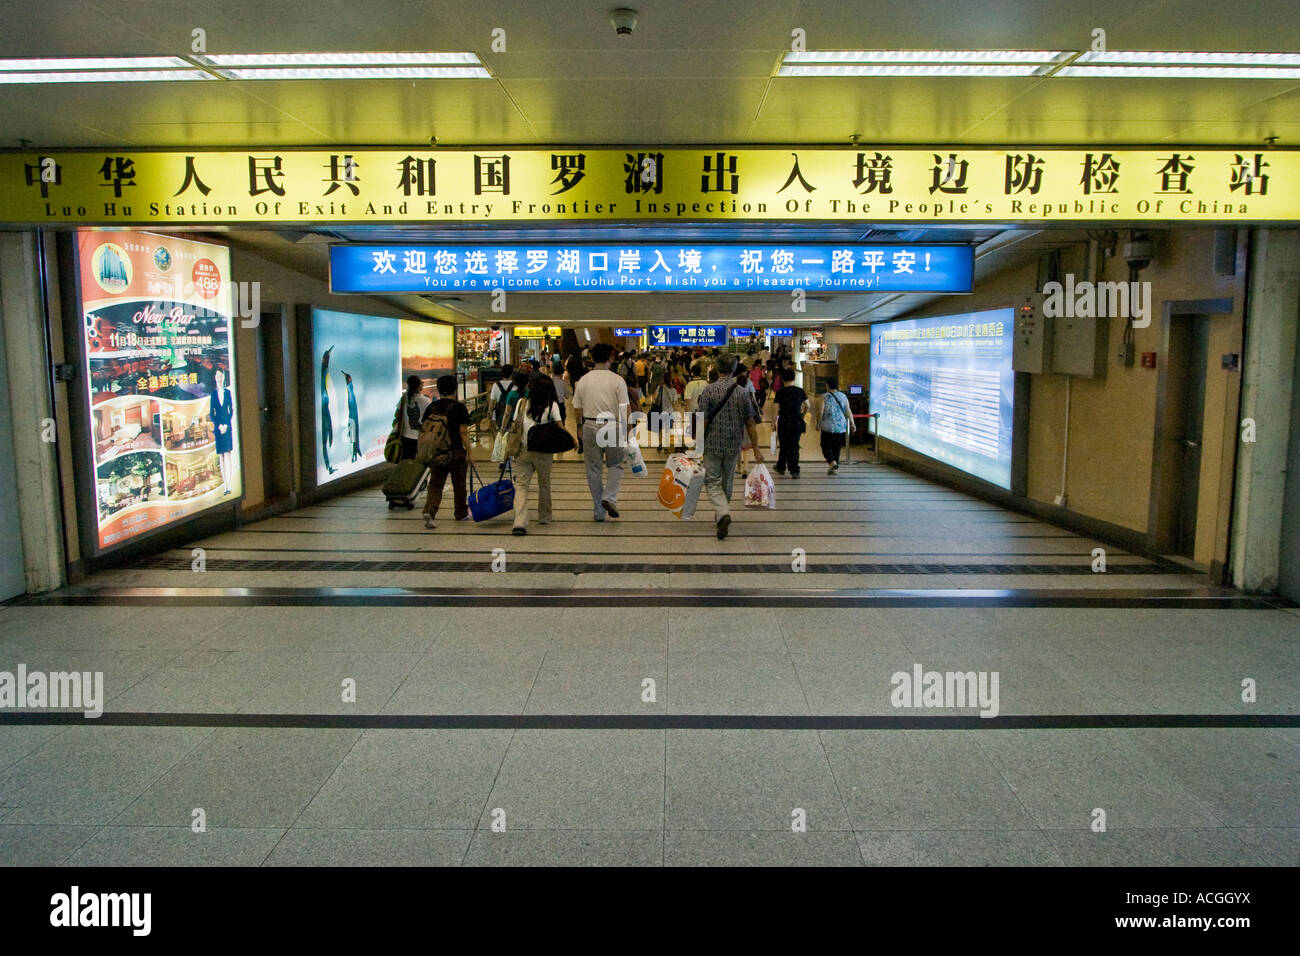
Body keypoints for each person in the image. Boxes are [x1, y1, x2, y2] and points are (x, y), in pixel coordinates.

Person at [695, 353, 764, 540]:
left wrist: (698, 443)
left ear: (716, 369)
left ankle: (723, 512)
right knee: (727, 481)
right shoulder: (742, 392)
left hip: (712, 444)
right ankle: (721, 512)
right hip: (734, 444)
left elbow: (703, 420)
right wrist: (756, 449)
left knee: (712, 481)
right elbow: (750, 422)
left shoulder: (709, 390)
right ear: (734, 369)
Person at [571, 342, 630, 522]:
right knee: (615, 464)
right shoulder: (617, 380)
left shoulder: (583, 380)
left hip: (589, 425)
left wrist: (579, 428)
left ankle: (598, 511)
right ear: (611, 358)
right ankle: (609, 497)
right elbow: (625, 408)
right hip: (612, 425)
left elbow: (577, 408)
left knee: (593, 469)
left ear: (591, 358)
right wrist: (626, 431)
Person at [510, 375, 563, 535]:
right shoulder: (552, 405)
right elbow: (560, 427)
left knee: (521, 486)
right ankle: (545, 517)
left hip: (523, 451)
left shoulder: (521, 403)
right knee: (544, 484)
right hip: (543, 452)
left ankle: (519, 522)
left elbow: (515, 426)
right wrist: (573, 440)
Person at [420, 374, 472, 529]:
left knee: (435, 483)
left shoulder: (432, 406)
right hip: (456, 451)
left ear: (439, 389)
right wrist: (470, 451)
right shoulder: (459, 407)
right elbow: (463, 432)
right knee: (459, 483)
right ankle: (460, 513)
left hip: (437, 452)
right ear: (454, 389)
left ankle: (430, 510)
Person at [772, 367, 808, 479]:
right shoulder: (800, 391)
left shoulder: (780, 392)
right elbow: (808, 405)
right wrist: (803, 414)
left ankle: (781, 467)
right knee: (794, 446)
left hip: (784, 422)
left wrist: (773, 423)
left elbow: (776, 410)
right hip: (797, 422)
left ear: (783, 379)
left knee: (784, 445)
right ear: (794, 378)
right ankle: (794, 470)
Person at [817, 377, 854, 474]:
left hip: (828, 426)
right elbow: (848, 411)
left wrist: (818, 423)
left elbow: (820, 412)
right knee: (836, 448)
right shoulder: (843, 396)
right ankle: (835, 469)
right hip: (841, 427)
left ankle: (832, 463)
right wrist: (852, 422)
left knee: (825, 445)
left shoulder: (824, 397)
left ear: (827, 385)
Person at [209, 367, 235, 495]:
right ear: (215, 378)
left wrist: (226, 424)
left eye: (221, 375)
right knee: (222, 455)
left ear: (223, 377)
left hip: (227, 426)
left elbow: (231, 410)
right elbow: (211, 413)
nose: (219, 378)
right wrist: (219, 425)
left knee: (228, 454)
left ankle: (229, 485)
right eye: (217, 376)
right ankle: (225, 486)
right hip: (218, 428)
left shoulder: (228, 393)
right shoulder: (213, 394)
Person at [394, 374, 430, 461]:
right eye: (422, 383)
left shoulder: (404, 398)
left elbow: (397, 414)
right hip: (420, 438)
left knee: (406, 462)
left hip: (405, 437)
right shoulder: (426, 401)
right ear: (419, 386)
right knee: (419, 463)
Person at [488, 364, 514, 429]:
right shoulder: (516, 386)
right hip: (513, 418)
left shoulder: (495, 385)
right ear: (512, 373)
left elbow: (492, 404)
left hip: (499, 418)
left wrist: (489, 416)